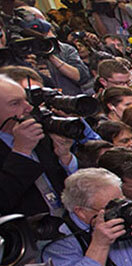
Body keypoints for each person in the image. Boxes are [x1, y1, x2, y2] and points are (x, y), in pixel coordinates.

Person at [0, 74, 78, 216]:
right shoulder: (27, 137)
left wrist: (65, 157)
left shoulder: (40, 130)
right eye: (15, 103)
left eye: (26, 100)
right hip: (27, 232)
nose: (28, 108)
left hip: (70, 225)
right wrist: (21, 152)